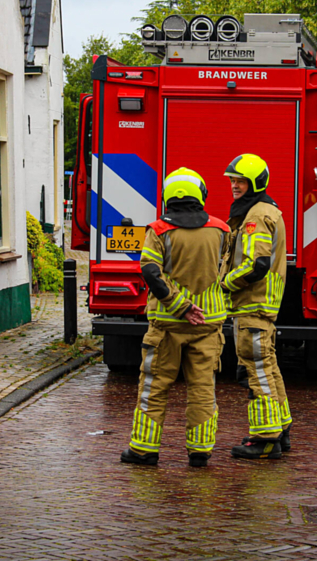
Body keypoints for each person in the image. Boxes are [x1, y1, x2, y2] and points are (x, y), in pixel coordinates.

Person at [121, 168, 230, 468]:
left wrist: (179, 306)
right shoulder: (221, 230)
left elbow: (150, 273)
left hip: (167, 325)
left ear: (168, 197)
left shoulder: (157, 231)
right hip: (208, 325)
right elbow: (227, 271)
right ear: (201, 194)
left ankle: (143, 450)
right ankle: (200, 452)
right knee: (203, 388)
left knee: (154, 386)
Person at [220, 153, 291, 460]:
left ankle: (265, 438)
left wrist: (223, 284)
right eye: (233, 180)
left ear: (254, 183)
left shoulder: (254, 217)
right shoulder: (266, 209)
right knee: (269, 369)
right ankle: (281, 427)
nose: (234, 186)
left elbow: (256, 264)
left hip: (252, 305)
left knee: (256, 372)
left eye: (240, 181)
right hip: (260, 307)